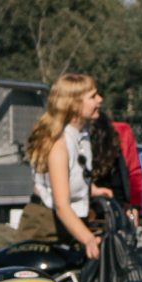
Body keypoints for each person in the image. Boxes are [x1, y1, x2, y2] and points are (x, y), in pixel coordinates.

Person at [20, 74, 114, 258]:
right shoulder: (59, 145)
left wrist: (92, 189)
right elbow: (62, 205)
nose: (100, 99)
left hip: (69, 222)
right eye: (93, 96)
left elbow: (74, 173)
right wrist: (87, 238)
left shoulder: (81, 135)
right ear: (74, 105)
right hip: (45, 228)